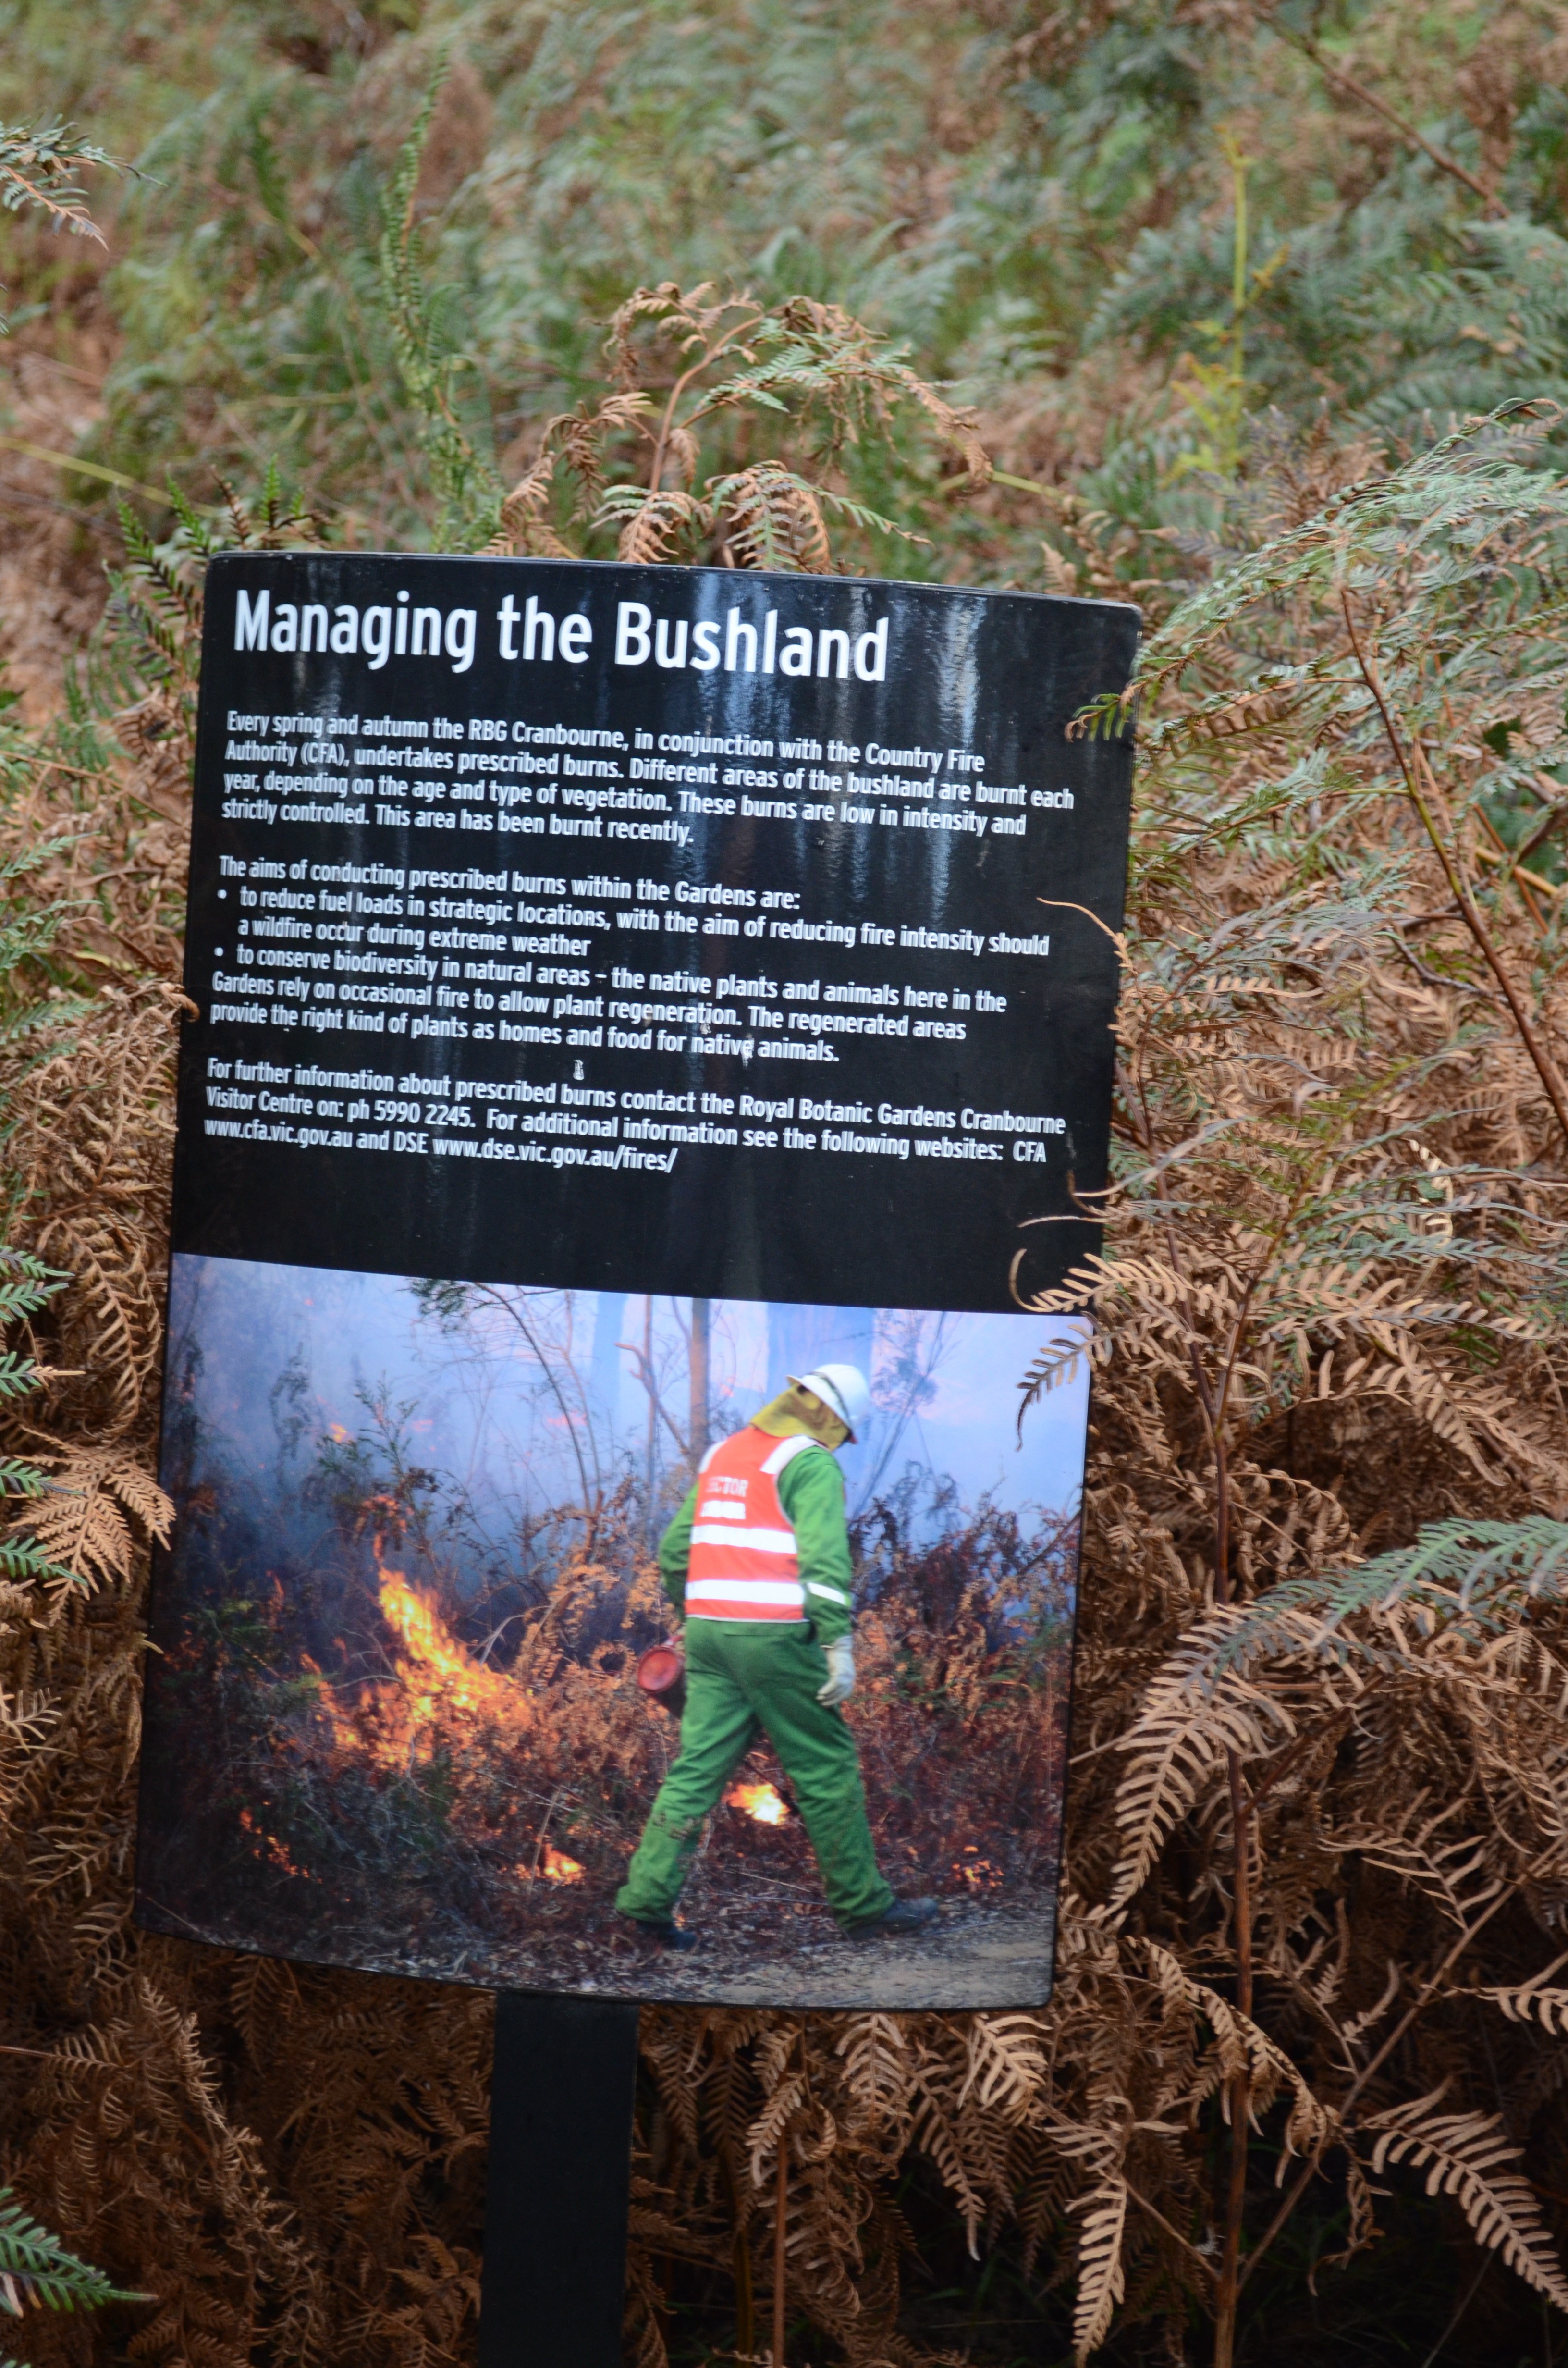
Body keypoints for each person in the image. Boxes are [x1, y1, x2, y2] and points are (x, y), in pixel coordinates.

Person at [616, 1363, 939, 1949]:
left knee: (695, 1771)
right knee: (825, 1766)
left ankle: (646, 1906)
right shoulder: (810, 1463)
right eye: (843, 1431)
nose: (838, 1443)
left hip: (710, 1638)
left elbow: (674, 1551)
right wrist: (838, 1642)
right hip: (776, 1641)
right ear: (832, 1418)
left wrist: (693, 1616)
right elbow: (824, 1560)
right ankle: (864, 1907)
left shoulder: (724, 1454)